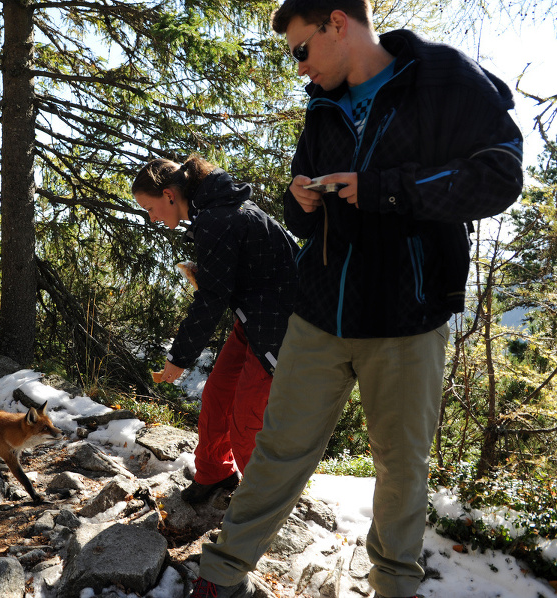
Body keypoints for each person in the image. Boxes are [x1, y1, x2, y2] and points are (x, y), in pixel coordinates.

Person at [189, 1, 524, 597]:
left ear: (337, 23)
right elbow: (300, 210)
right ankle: (221, 573)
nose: (298, 69)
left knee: (400, 467)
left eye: (301, 51)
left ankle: (394, 586)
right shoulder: (322, 106)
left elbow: (500, 175)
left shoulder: (442, 77)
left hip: (407, 317)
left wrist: (383, 190)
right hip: (318, 312)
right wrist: (300, 199)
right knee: (278, 449)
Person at [132, 156, 298, 503]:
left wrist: (179, 358)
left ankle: (262, 504)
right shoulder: (216, 211)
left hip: (280, 329)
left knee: (246, 423)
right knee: (217, 395)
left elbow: (211, 300)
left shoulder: (218, 218)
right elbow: (236, 275)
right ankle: (215, 474)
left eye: (150, 208)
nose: (152, 217)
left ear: (169, 195)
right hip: (254, 318)